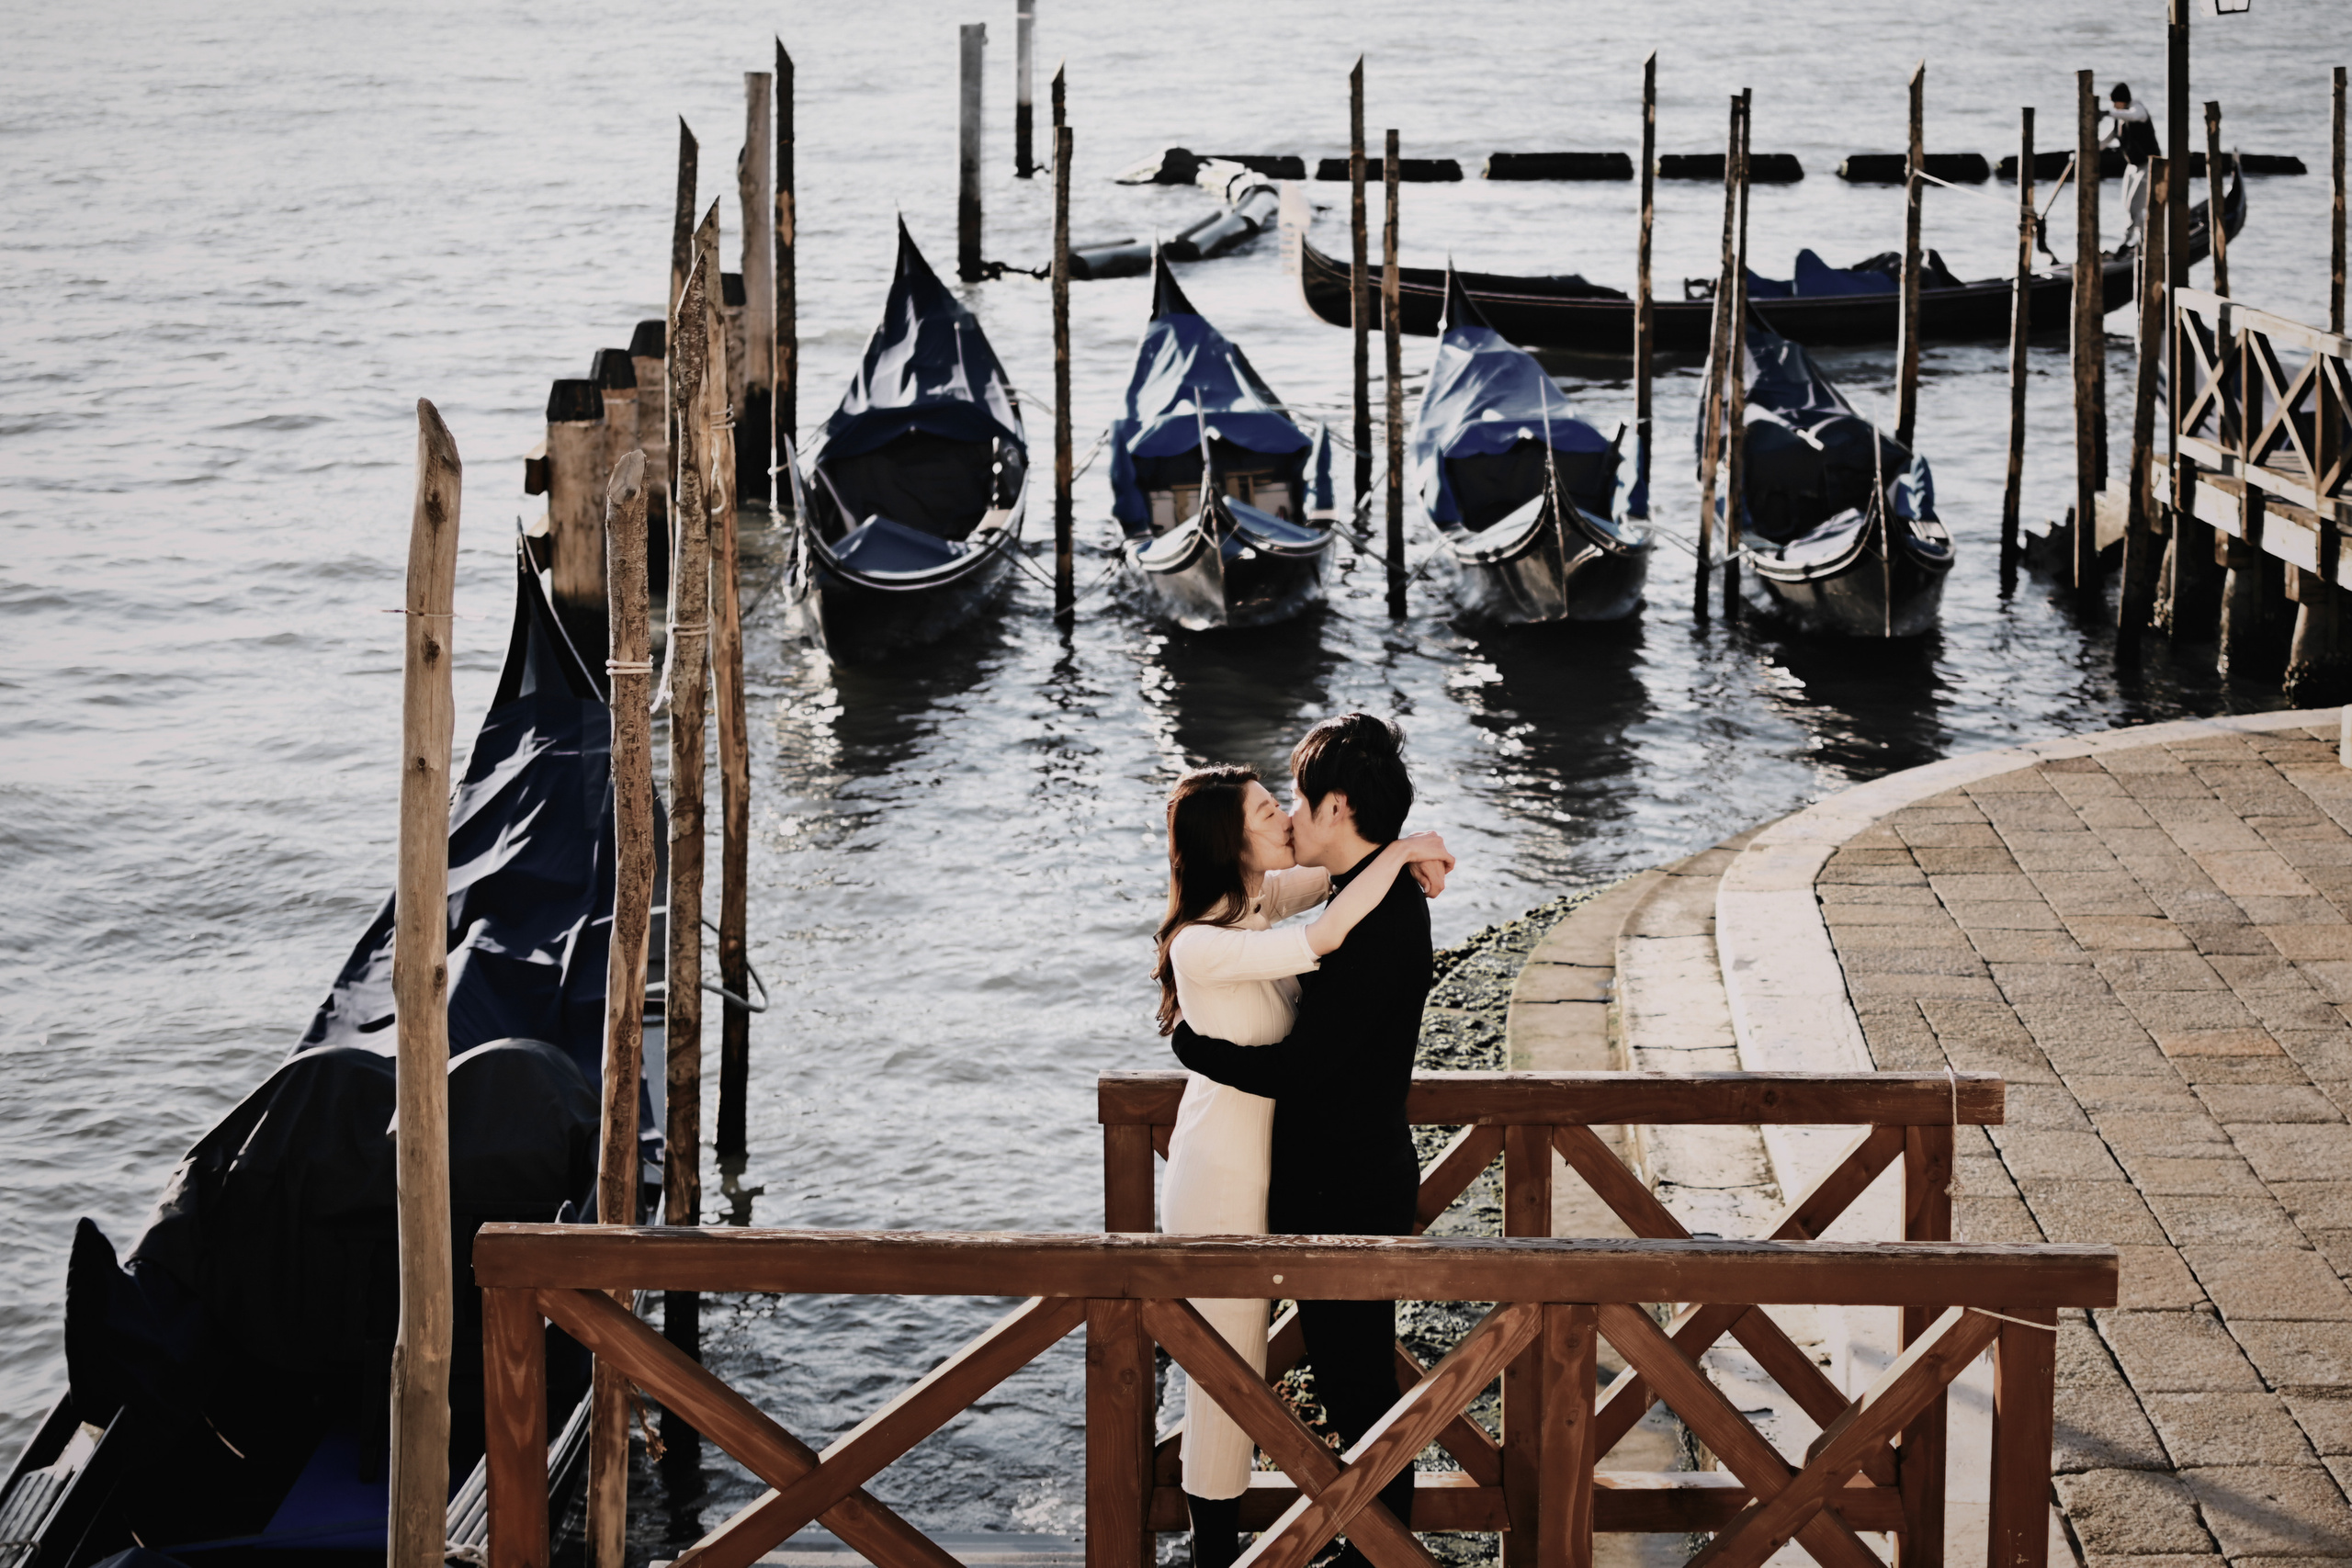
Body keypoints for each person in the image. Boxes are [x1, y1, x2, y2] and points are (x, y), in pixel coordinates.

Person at [1153, 760, 1453, 1568]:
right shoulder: (1203, 943)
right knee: (1225, 1367)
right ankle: (1211, 1546)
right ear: (1230, 838)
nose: (1285, 817)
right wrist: (1398, 856)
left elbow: (1335, 877)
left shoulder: (1259, 902)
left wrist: (1412, 847)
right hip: (1219, 1170)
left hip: (1279, 1166)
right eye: (1265, 811)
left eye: (1284, 801)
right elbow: (1325, 933)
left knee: (1269, 1370)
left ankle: (1344, 1537)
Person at [2103, 82, 2160, 249]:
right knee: (2128, 206)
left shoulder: (2138, 109)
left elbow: (2134, 116)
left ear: (2123, 100)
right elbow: (2103, 142)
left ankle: (2135, 241)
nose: (2114, 106)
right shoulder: (2119, 120)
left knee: (2135, 206)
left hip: (2148, 165)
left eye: (2115, 102)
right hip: (2132, 166)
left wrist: (2108, 113)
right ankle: (2134, 238)